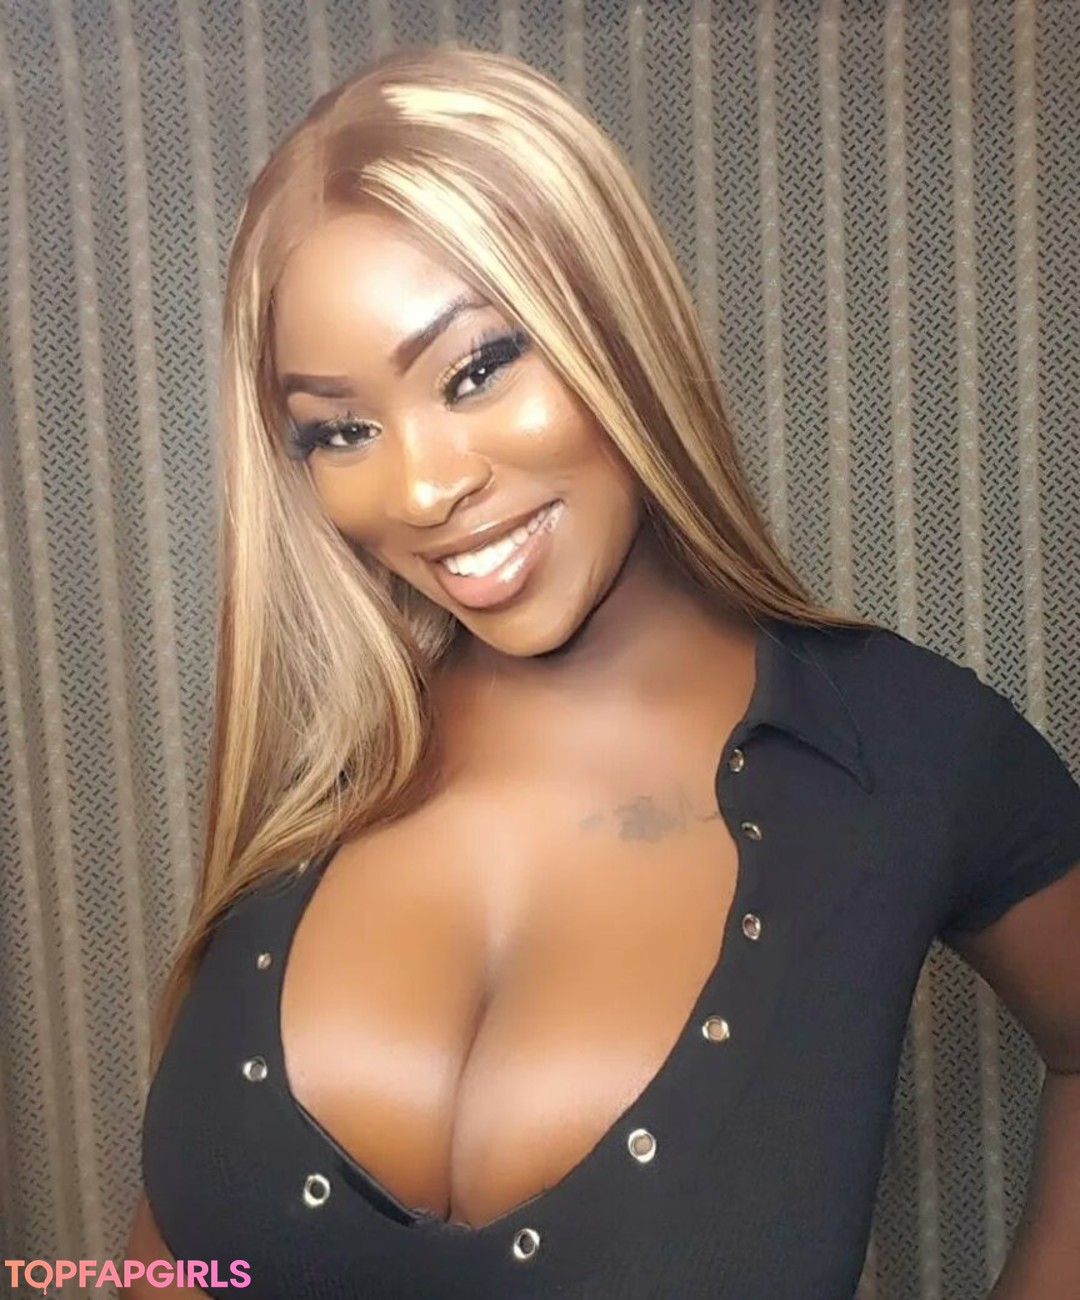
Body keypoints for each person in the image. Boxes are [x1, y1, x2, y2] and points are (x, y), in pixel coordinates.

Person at [122, 43, 1080, 1300]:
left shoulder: (906, 749)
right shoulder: (321, 771)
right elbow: (173, 1253)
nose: (423, 486)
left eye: (478, 368)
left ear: (615, 319)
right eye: (341, 430)